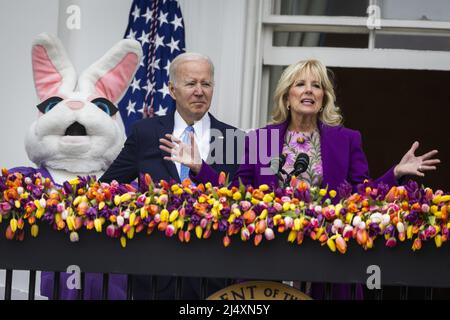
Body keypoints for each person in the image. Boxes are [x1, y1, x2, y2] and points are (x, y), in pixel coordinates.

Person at [160, 59, 440, 299]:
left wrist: (395, 174)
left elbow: (362, 195)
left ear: (323, 98)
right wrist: (200, 168)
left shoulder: (346, 140)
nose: (309, 90)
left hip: (329, 264)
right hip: (269, 259)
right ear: (287, 95)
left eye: (316, 85)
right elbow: (238, 195)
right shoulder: (262, 139)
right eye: (300, 84)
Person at [100, 52, 243, 299]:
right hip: (154, 277)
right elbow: (108, 187)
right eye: (191, 83)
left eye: (206, 84)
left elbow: (238, 201)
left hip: (210, 279)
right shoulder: (145, 133)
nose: (199, 91)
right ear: (172, 89)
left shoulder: (231, 138)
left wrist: (201, 169)